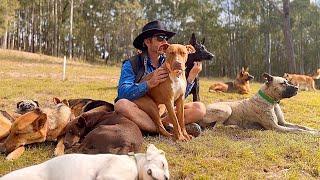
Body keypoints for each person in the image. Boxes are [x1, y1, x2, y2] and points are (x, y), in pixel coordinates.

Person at [114, 20, 206, 137]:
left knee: (199, 108)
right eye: (160, 38)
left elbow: (178, 95)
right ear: (148, 41)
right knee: (121, 105)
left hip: (165, 109)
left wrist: (191, 78)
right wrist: (149, 83)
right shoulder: (132, 64)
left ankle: (159, 126)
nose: (164, 41)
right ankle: (162, 129)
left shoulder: (171, 59)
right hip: (142, 110)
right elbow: (123, 93)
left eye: (166, 38)